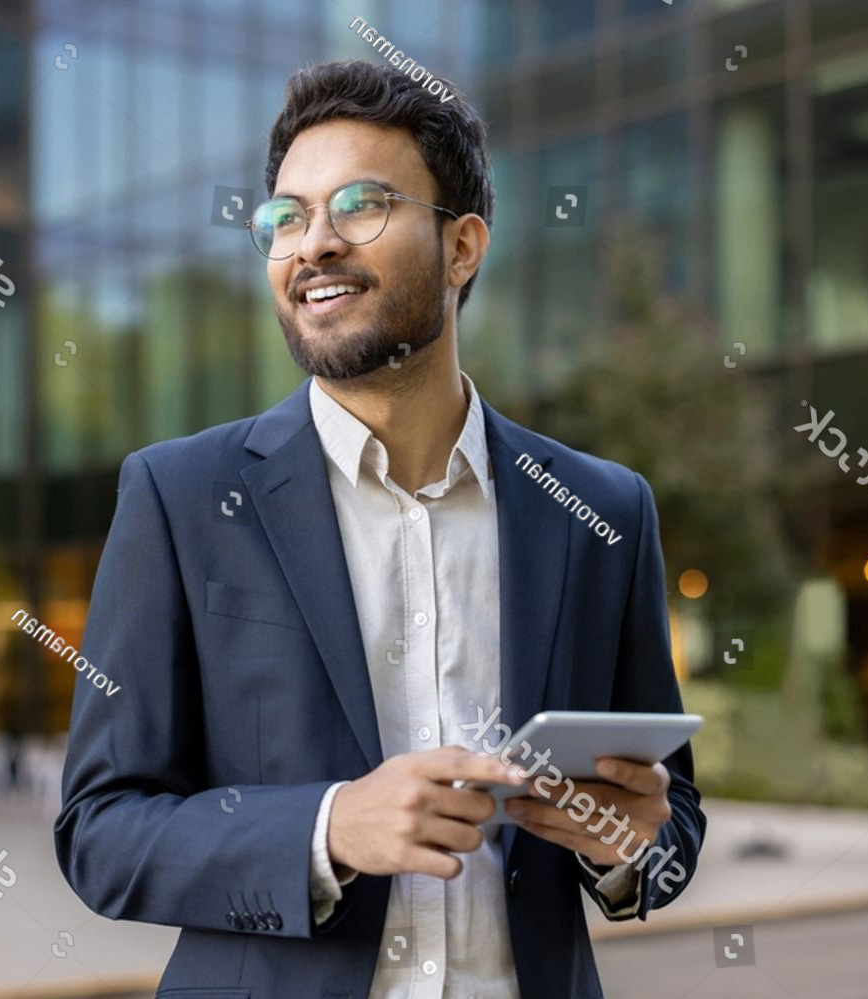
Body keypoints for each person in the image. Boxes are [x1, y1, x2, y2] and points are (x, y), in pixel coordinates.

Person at [53, 59, 705, 999]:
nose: (313, 244)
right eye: (285, 218)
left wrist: (627, 847)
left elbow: (671, 823)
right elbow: (101, 831)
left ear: (462, 247)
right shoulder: (180, 496)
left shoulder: (601, 509)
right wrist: (328, 827)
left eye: (360, 206)